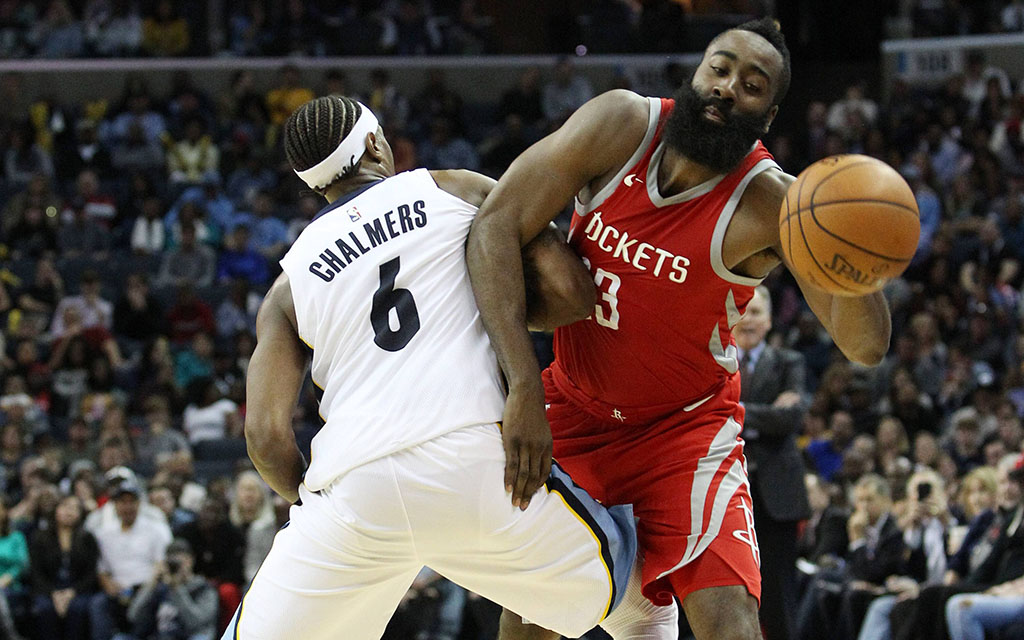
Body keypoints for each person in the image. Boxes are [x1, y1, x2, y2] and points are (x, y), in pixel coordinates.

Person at [466, 18, 891, 640]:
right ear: (697, 73)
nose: (726, 88)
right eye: (719, 69)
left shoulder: (773, 202)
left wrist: (849, 242)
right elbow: (496, 223)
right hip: (572, 408)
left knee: (730, 621)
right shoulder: (620, 125)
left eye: (751, 85)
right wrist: (523, 386)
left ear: (768, 116)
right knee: (531, 623)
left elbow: (867, 346)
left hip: (682, 432)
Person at [220, 95, 638, 640]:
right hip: (474, 456)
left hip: (352, 484)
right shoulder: (452, 188)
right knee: (619, 585)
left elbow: (265, 437)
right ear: (375, 143)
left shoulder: (287, 284)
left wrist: (331, 503)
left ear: (313, 183)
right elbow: (570, 293)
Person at [735, 286, 810, 640]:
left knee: (780, 595)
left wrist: (733, 411)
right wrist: (767, 415)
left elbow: (790, 418)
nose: (748, 319)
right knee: (725, 591)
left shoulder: (789, 362)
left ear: (769, 321)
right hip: (726, 489)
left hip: (777, 495)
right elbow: (700, 412)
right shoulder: (712, 360)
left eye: (757, 312)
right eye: (743, 310)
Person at [126, 538, 218, 640]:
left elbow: (195, 623)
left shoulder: (204, 589)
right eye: (172, 564)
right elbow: (133, 616)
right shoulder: (160, 589)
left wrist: (177, 588)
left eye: (180, 563)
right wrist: (151, 584)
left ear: (191, 560)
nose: (176, 567)